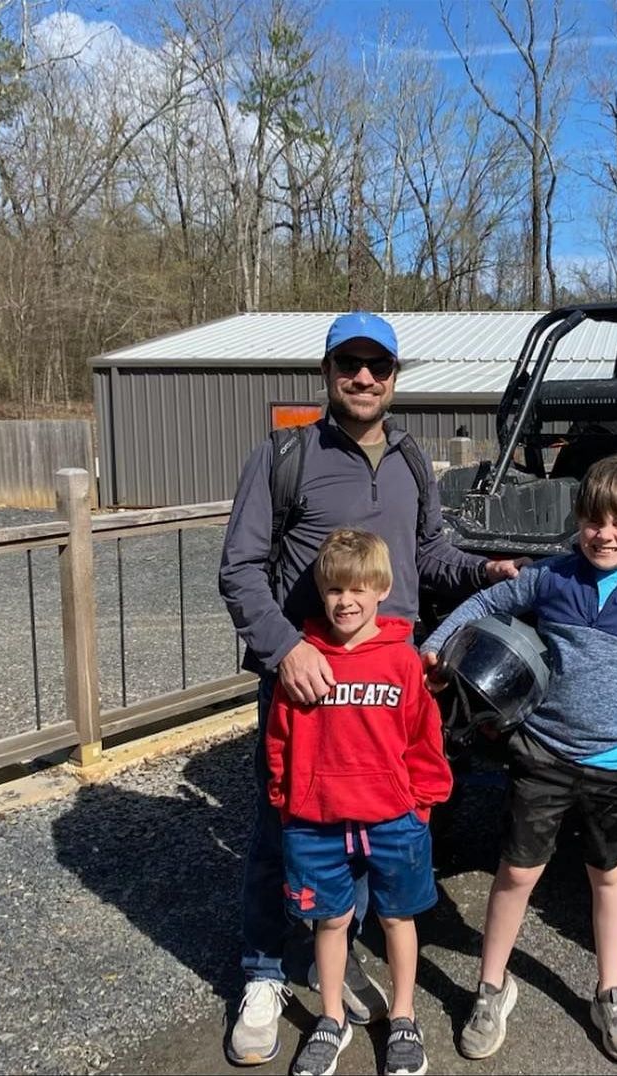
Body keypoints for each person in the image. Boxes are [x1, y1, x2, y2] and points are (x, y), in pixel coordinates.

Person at [218, 311, 521, 1066]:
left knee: (386, 826)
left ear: (394, 377)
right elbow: (240, 569)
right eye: (349, 364)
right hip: (310, 685)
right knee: (282, 828)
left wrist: (484, 571)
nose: (363, 378)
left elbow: (429, 554)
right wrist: (285, 649)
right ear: (327, 373)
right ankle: (263, 974)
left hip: (390, 685)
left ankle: (341, 957)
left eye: (377, 366)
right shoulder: (286, 456)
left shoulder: (414, 460)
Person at [421, 454, 617, 1065]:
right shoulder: (551, 577)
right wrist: (437, 647)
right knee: (518, 871)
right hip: (544, 753)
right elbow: (483, 605)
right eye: (594, 521)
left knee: (610, 875)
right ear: (578, 522)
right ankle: (492, 987)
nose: (606, 534)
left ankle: (611, 993)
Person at [267, 530, 451, 1076]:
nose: (345, 601)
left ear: (382, 590)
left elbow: (424, 738)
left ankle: (403, 1017)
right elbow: (279, 740)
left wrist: (421, 805)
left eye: (357, 589)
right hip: (315, 823)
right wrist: (288, 800)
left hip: (394, 821)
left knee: (397, 919)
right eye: (333, 591)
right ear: (321, 594)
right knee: (330, 922)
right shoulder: (303, 662)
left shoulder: (402, 661)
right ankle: (331, 1018)